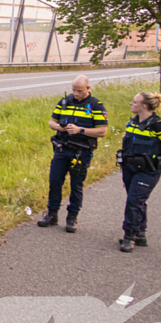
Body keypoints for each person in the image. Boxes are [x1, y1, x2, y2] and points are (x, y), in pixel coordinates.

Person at [38, 75, 109, 233]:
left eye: (80, 91)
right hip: (62, 148)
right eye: (74, 90)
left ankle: (72, 217)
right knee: (55, 181)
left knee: (76, 185)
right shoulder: (64, 102)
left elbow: (102, 131)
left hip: (81, 151)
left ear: (88, 89)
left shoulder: (96, 105)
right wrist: (59, 127)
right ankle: (52, 213)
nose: (76, 94)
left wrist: (81, 130)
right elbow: (51, 122)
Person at [118, 92, 161, 252]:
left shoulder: (159, 125)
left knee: (134, 201)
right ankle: (140, 233)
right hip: (130, 167)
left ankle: (129, 236)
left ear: (144, 106)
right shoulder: (133, 121)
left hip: (148, 170)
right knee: (135, 200)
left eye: (134, 102)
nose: (131, 103)